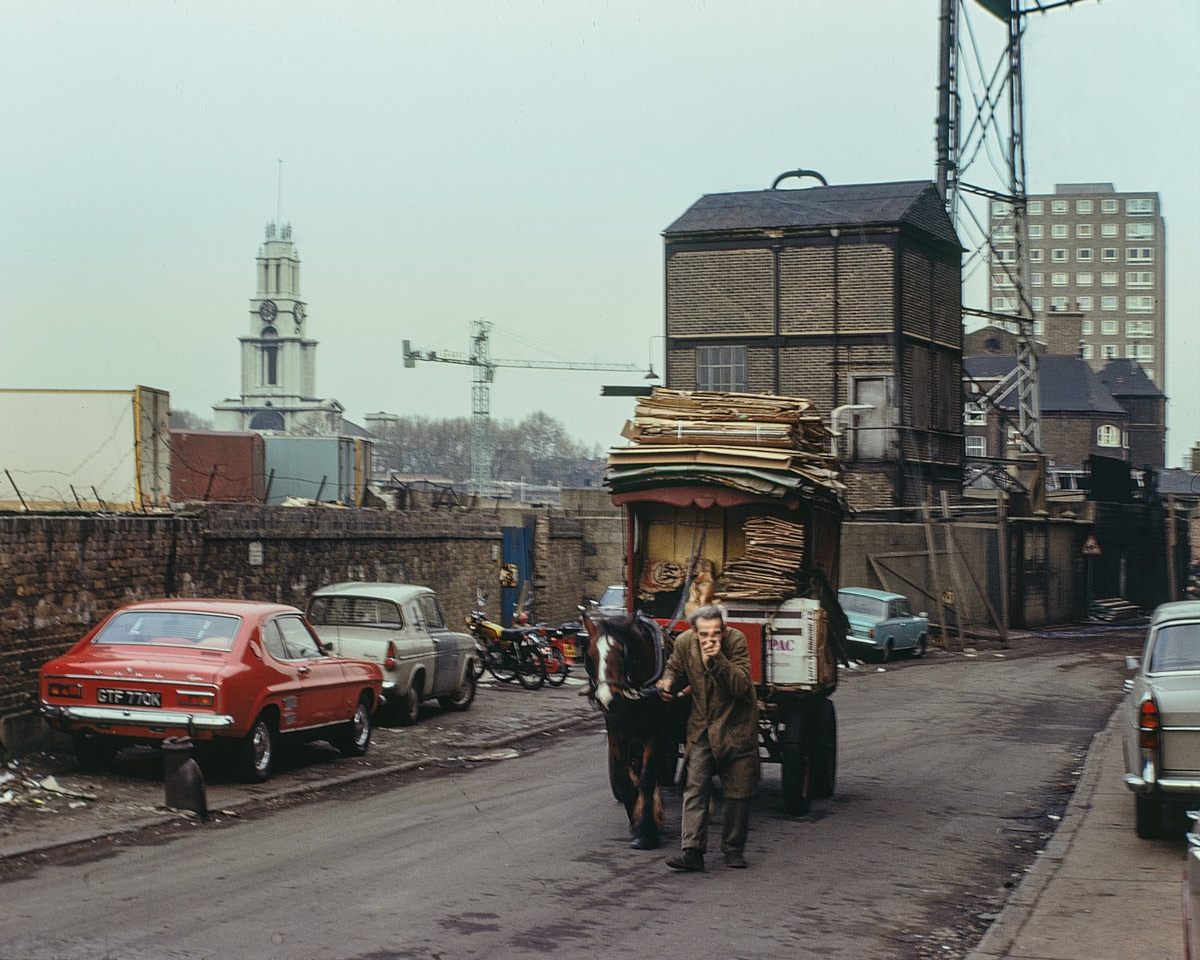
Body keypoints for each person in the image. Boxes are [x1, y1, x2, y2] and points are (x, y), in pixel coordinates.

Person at [656, 604, 759, 871]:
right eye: (704, 634)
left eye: (715, 634)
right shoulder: (685, 643)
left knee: (738, 790)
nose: (710, 639)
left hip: (736, 725)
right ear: (694, 631)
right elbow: (674, 670)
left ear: (723, 631)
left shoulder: (735, 641)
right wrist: (668, 683)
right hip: (702, 726)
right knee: (695, 786)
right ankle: (692, 851)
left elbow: (740, 685)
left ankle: (733, 848)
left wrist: (717, 661)